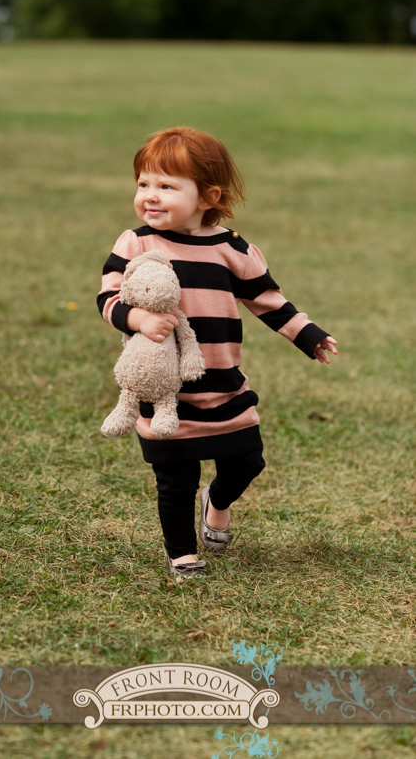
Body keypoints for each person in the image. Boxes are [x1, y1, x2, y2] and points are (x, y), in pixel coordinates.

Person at [97, 127, 338, 582]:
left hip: (224, 385)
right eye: (143, 183)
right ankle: (182, 555)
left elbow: (268, 300)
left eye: (167, 186)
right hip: (166, 392)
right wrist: (136, 318)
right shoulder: (136, 244)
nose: (150, 195)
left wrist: (307, 334)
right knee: (175, 479)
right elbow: (107, 297)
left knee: (248, 462)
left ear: (208, 196)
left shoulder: (232, 249)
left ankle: (218, 501)